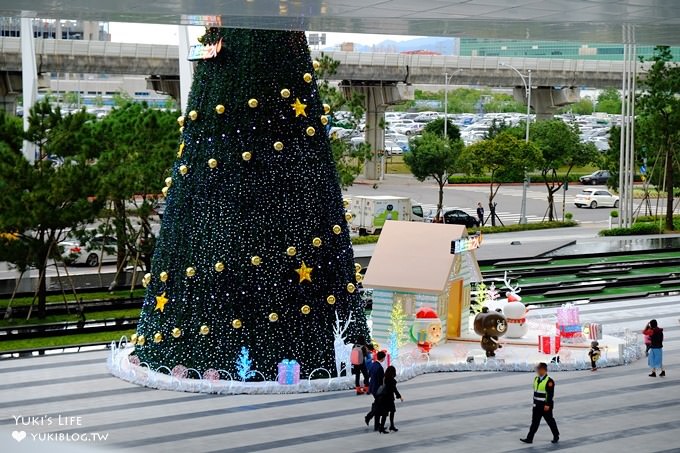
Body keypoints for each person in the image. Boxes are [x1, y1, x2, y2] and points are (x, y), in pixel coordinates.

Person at [521, 362, 560, 444]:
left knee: (550, 421)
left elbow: (550, 394)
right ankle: (529, 438)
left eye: (538, 369)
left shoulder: (549, 381)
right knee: (534, 422)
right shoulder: (536, 379)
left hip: (545, 406)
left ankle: (556, 435)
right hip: (536, 406)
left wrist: (547, 405)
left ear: (543, 370)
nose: (537, 371)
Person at [375, 366, 403, 434]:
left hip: (384, 398)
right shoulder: (391, 380)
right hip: (389, 399)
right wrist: (399, 396)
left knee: (389, 412)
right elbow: (394, 389)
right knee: (389, 412)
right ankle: (386, 427)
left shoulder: (385, 378)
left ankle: (389, 426)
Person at [364, 351, 386, 431]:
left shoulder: (373, 365)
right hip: (378, 390)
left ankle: (376, 424)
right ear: (383, 358)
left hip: (373, 388)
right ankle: (369, 417)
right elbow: (381, 381)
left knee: (378, 406)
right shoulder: (380, 368)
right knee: (378, 407)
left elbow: (369, 375)